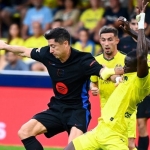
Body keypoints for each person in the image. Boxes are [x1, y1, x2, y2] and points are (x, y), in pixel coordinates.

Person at [0, 27, 123, 150]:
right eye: (49, 46)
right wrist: (5, 46)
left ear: (65, 44)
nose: (51, 50)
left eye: (54, 46)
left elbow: (103, 72)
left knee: (71, 148)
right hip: (57, 108)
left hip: (78, 110)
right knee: (24, 132)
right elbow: (25, 51)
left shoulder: (83, 59)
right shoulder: (48, 54)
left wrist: (117, 78)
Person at [64, 1, 150, 150]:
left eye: (126, 65)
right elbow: (145, 45)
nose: (123, 67)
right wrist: (130, 31)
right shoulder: (134, 66)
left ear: (137, 67)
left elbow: (142, 53)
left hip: (116, 135)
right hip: (100, 129)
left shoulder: (141, 80)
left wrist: (141, 19)